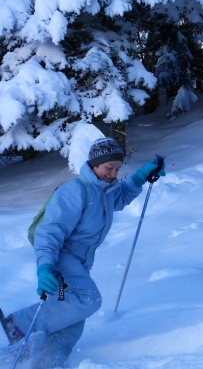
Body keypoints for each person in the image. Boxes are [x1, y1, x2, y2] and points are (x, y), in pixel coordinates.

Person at [0, 137, 165, 368]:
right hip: (62, 257)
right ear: (95, 164)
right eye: (109, 168)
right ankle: (17, 326)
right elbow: (49, 232)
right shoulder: (74, 192)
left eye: (117, 169)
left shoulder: (105, 192)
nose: (113, 173)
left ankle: (46, 363)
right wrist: (45, 266)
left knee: (71, 322)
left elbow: (122, 196)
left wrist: (140, 176)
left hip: (81, 262)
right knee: (88, 300)